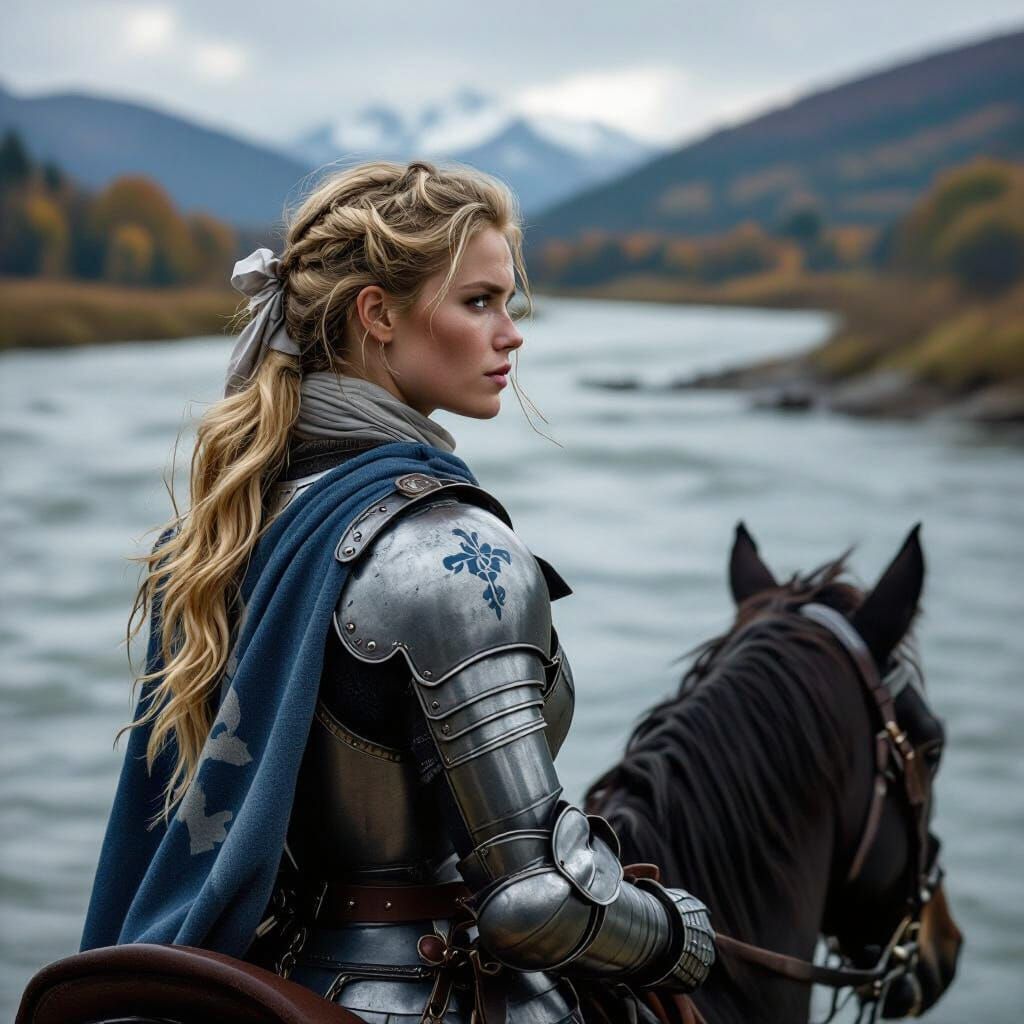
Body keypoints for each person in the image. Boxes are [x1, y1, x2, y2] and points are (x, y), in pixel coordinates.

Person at [80, 160, 716, 1023]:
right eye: (479, 301)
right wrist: (679, 936)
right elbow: (534, 900)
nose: (511, 335)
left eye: (507, 303)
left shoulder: (230, 523)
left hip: (250, 977)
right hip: (428, 996)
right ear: (378, 315)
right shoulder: (449, 553)